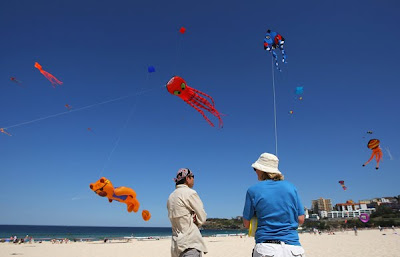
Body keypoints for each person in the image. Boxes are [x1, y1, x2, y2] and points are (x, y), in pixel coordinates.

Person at [242, 153, 306, 257]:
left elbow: (246, 223)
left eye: (255, 169)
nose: (255, 172)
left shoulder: (253, 190)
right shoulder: (291, 188)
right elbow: (301, 219)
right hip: (293, 248)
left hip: (266, 248)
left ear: (262, 170)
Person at [167, 168, 208, 257]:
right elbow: (202, 217)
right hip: (190, 243)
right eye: (193, 177)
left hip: (176, 246)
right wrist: (195, 221)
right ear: (187, 178)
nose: (193, 179)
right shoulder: (190, 193)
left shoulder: (171, 197)